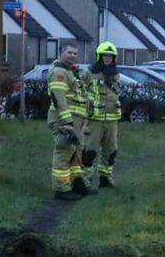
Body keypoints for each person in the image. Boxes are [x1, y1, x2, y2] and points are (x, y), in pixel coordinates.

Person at [46, 42, 90, 201]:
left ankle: (76, 183)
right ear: (61, 52)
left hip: (75, 120)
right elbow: (59, 99)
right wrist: (67, 122)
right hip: (66, 120)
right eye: (69, 52)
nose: (72, 56)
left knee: (75, 153)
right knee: (64, 153)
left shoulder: (70, 72)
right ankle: (61, 189)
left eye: (75, 53)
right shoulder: (59, 72)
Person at [80, 41, 122, 190]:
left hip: (112, 120)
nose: (107, 59)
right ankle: (86, 179)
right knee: (89, 152)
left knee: (111, 152)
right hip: (94, 119)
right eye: (105, 56)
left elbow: (116, 94)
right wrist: (88, 103)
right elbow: (79, 91)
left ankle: (105, 178)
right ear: (99, 56)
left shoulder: (115, 74)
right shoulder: (89, 73)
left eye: (110, 56)